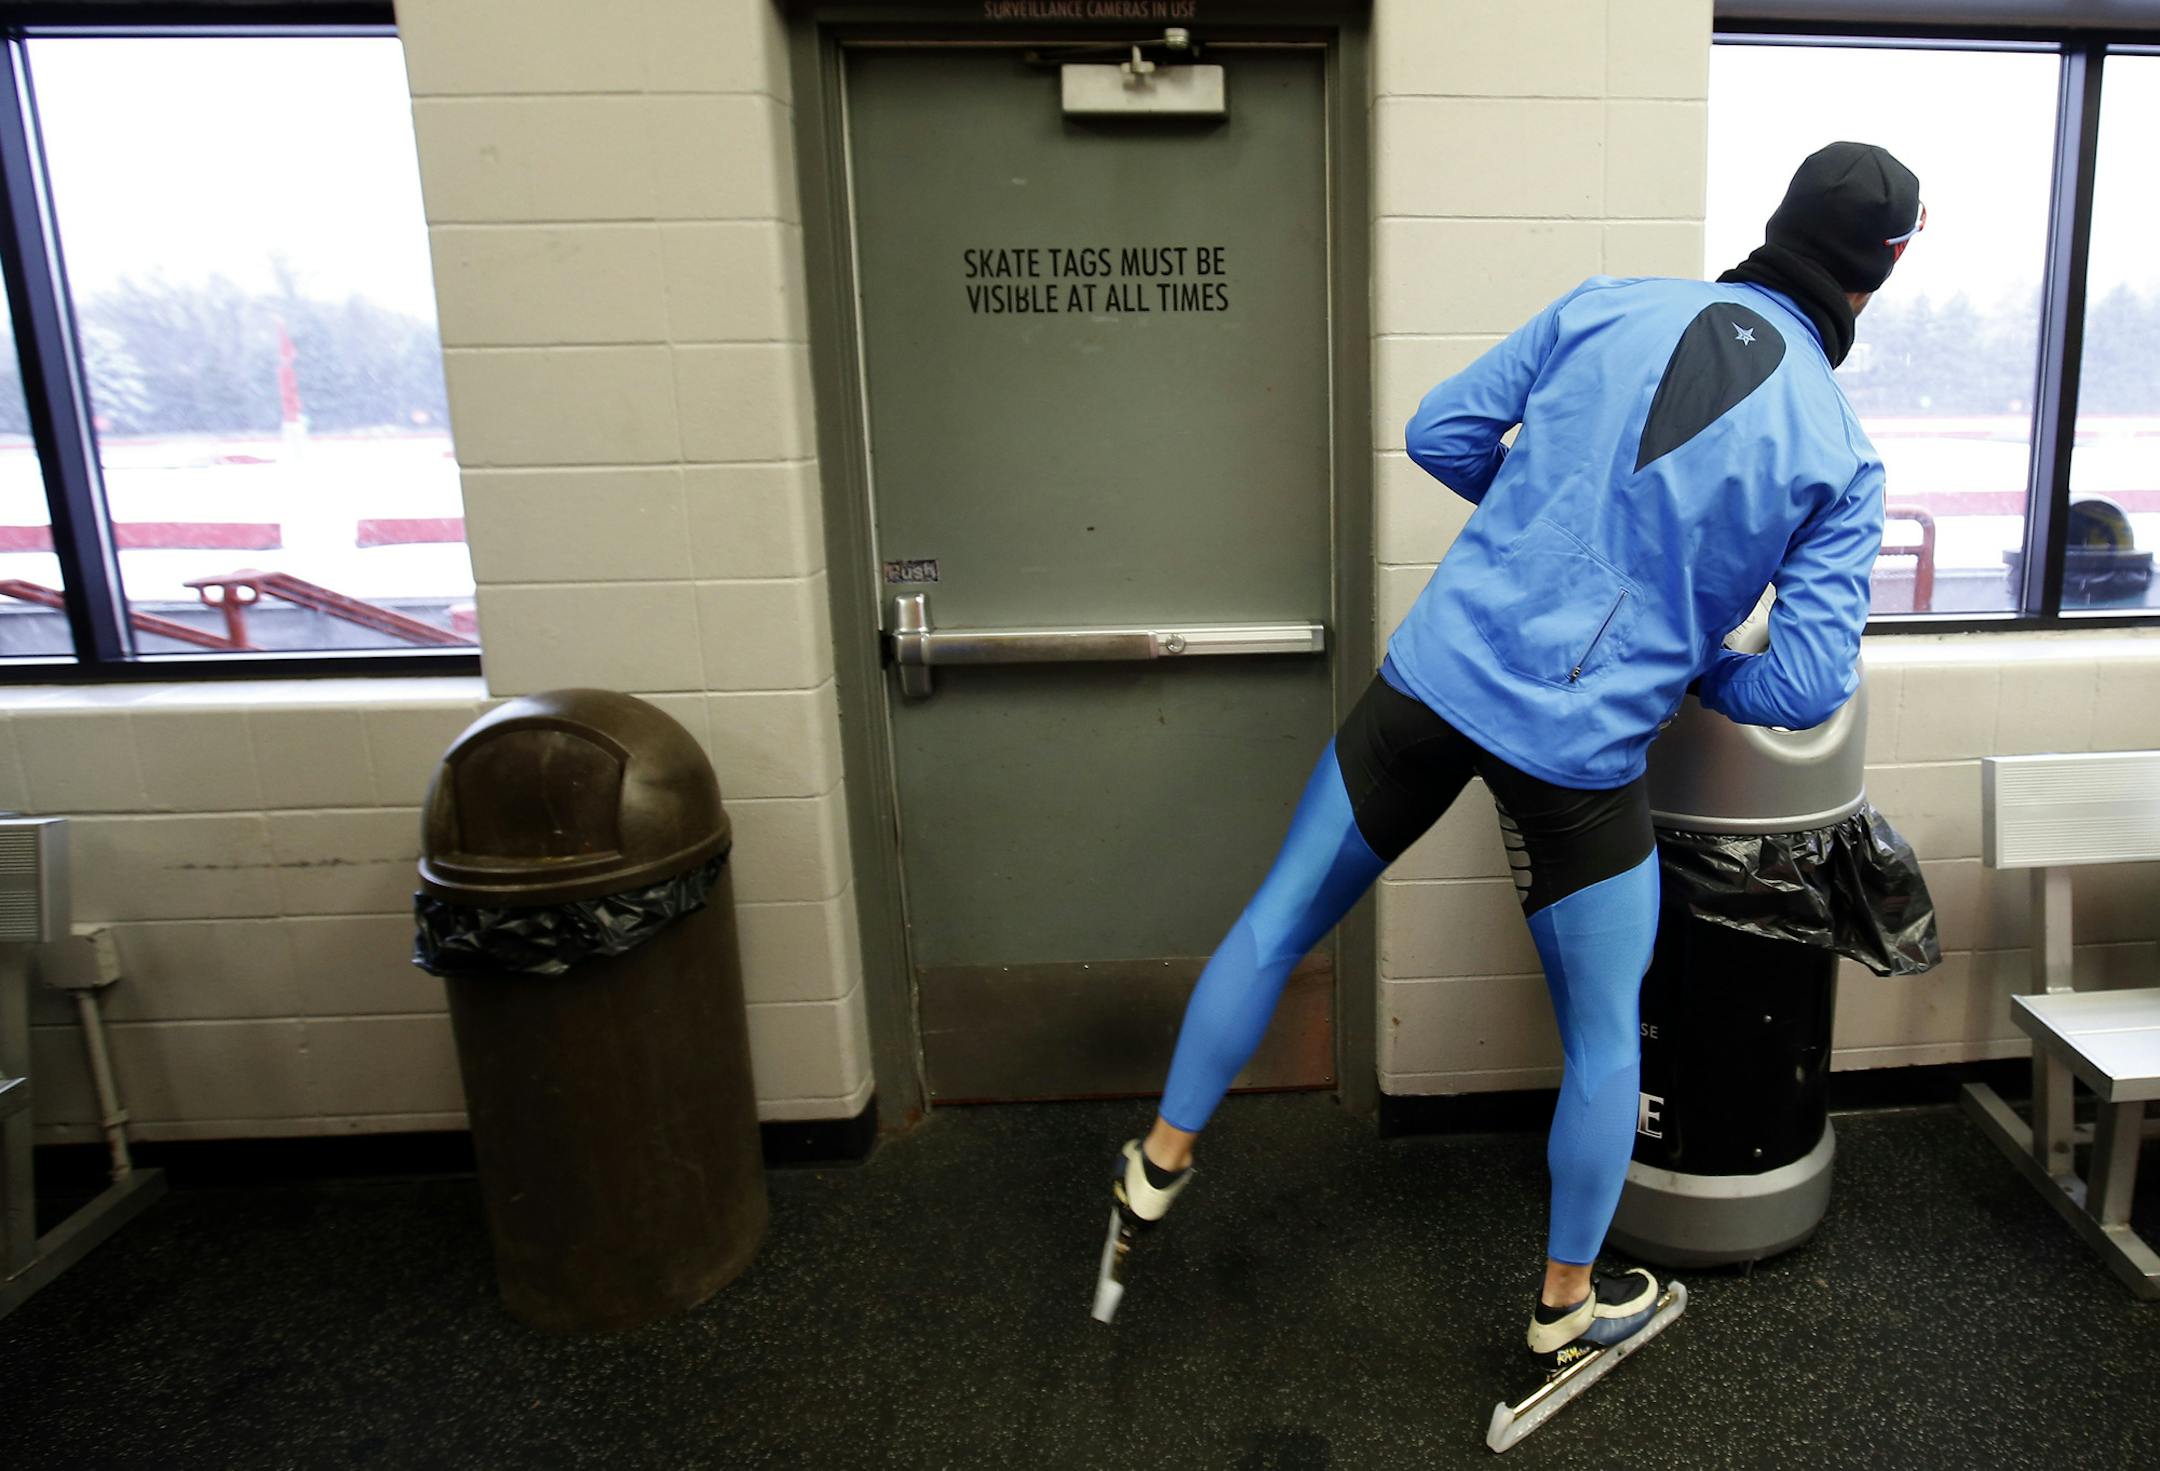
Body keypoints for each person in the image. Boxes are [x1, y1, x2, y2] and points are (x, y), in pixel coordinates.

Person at [1094, 142, 1924, 1373]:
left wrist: (1529, 535)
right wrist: (1685, 653)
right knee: (1603, 1043)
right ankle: (1563, 1305)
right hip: (1581, 760)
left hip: (1432, 684)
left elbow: (1443, 433)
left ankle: (1158, 1160)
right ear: (1880, 275)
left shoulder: (1606, 303)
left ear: (1778, 219)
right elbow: (1803, 681)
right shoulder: (1843, 455)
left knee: (1277, 918)